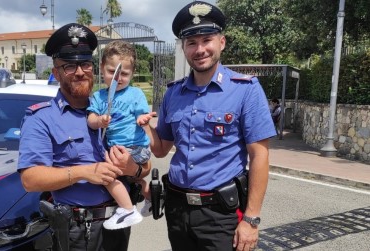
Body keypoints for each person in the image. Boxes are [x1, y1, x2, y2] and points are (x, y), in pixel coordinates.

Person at [139, 2, 277, 251]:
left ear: (221, 42)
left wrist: (251, 220)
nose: (200, 49)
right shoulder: (173, 94)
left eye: (207, 40)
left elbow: (259, 156)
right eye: (192, 42)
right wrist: (146, 127)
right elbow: (161, 150)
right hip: (177, 210)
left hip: (220, 215)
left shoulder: (245, 90)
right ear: (184, 47)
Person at [18, 23, 150, 251]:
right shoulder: (41, 118)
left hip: (116, 225)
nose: (80, 72)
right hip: (75, 231)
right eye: (69, 66)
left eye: (85, 64)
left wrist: (133, 169)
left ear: (93, 68)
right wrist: (84, 172)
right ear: (56, 73)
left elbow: (145, 165)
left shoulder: (116, 108)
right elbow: (30, 180)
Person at [87, 40, 152, 229]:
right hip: (117, 148)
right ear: (101, 68)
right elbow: (91, 118)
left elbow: (141, 113)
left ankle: (127, 210)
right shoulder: (99, 96)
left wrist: (142, 119)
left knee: (105, 174)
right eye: (112, 72)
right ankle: (152, 198)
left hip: (135, 147)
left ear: (132, 73)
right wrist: (99, 121)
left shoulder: (135, 94)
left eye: (124, 74)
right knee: (133, 179)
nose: (118, 79)